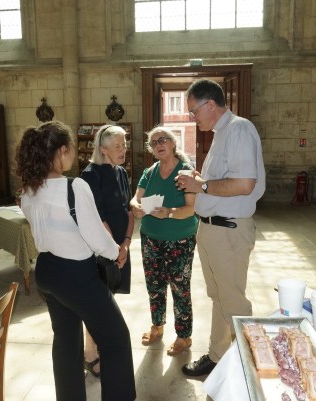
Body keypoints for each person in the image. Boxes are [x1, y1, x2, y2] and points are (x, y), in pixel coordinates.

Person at [15, 121, 136, 401]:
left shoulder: (29, 189)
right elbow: (96, 236)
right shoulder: (74, 186)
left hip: (47, 271)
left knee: (66, 342)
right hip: (77, 276)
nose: (72, 154)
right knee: (116, 339)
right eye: (70, 148)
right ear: (61, 151)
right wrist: (118, 252)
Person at [175, 79, 266, 376]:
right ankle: (218, 356)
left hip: (228, 231)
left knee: (234, 302)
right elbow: (220, 182)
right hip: (213, 229)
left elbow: (244, 184)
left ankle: (250, 367)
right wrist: (200, 181)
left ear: (211, 105)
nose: (193, 117)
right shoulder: (221, 133)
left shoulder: (239, 129)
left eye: (194, 111)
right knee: (219, 297)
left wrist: (201, 185)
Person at [130, 127, 198, 356]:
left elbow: (191, 209)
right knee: (155, 286)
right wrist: (135, 207)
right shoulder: (149, 172)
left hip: (180, 239)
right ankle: (157, 325)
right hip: (150, 238)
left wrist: (168, 212)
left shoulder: (185, 172)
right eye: (154, 142)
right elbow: (135, 198)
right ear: (151, 149)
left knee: (180, 288)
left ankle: (184, 336)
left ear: (173, 143)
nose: (159, 144)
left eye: (163, 140)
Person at [80, 124, 134, 377]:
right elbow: (98, 218)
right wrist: (115, 250)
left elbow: (128, 209)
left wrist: (127, 243)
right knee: (98, 302)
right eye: (117, 146)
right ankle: (90, 353)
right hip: (101, 249)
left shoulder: (121, 171)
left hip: (120, 246)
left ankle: (99, 345)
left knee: (108, 297)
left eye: (125, 144)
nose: (123, 150)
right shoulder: (90, 175)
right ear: (103, 149)